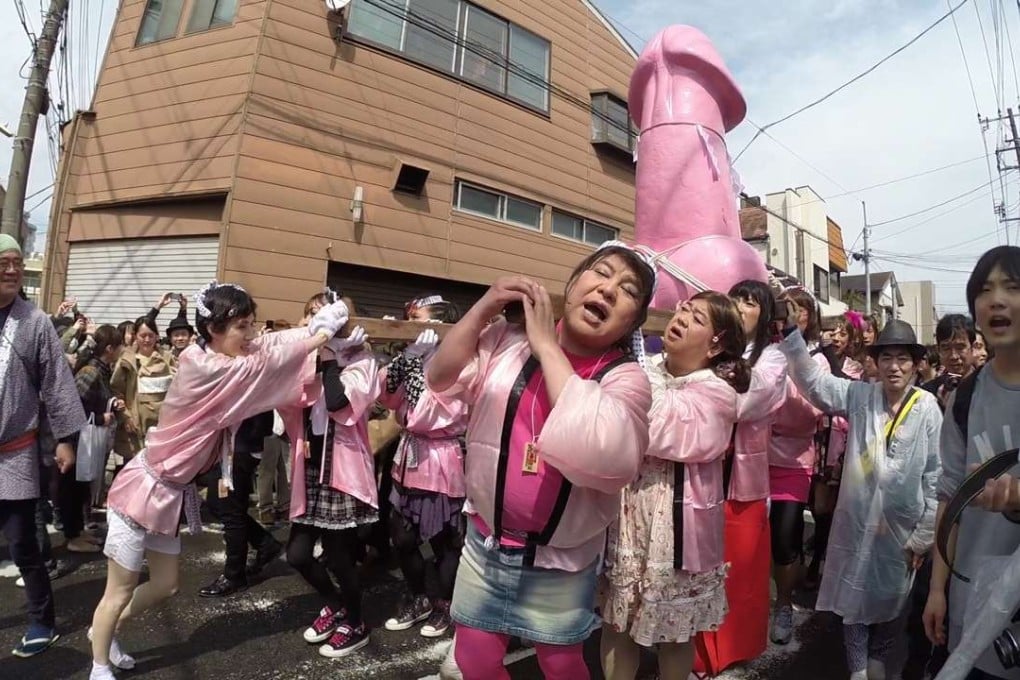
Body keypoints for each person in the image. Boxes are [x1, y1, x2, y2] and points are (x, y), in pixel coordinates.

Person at [87, 282, 344, 680]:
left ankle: (106, 630)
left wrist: (312, 331)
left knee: (166, 585)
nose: (251, 334)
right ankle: (98, 661)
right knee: (117, 591)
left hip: (168, 492)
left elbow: (267, 348)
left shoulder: (215, 354)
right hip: (144, 488)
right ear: (213, 329)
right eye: (242, 326)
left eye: (251, 324)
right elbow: (261, 363)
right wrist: (320, 334)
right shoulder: (204, 367)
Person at [427, 242, 656, 680]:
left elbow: (605, 454)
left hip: (562, 558)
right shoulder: (505, 341)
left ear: (633, 321)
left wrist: (547, 347)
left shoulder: (627, 379)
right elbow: (440, 377)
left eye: (626, 290)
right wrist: (485, 307)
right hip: (486, 542)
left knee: (562, 665)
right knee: (473, 661)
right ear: (572, 287)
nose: (607, 290)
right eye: (600, 274)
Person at [781, 312, 942, 680]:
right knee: (853, 600)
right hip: (855, 524)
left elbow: (936, 474)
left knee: (891, 601)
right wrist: (791, 334)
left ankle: (879, 658)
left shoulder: (927, 409)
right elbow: (815, 383)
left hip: (901, 531)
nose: (894, 367)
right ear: (876, 362)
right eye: (887, 357)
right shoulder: (860, 396)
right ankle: (858, 670)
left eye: (903, 359)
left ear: (916, 365)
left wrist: (923, 535)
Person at [601, 292, 750, 680]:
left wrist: (632, 369)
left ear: (716, 342)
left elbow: (659, 422)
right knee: (617, 624)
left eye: (696, 317)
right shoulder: (646, 368)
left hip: (677, 533)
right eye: (683, 309)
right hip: (627, 516)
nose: (680, 317)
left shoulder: (718, 392)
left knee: (676, 635)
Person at [923, 246, 1020, 680]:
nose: (996, 299)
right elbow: (950, 500)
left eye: (1012, 288)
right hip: (976, 613)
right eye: (984, 290)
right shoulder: (962, 399)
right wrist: (937, 589)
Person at [694, 281, 788, 674]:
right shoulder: (710, 348)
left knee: (740, 570)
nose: (740, 306)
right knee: (698, 566)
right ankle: (698, 653)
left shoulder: (774, 358)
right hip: (704, 471)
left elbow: (747, 400)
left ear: (764, 315)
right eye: (735, 299)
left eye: (750, 303)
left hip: (743, 480)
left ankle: (733, 649)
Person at [0, 233, 84, 657]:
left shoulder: (34, 323)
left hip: (14, 451)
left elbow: (58, 386)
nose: (12, 269)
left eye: (17, 262)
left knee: (22, 543)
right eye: (4, 262)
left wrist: (66, 440)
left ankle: (41, 620)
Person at [280, 313, 381, 659]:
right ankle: (335, 604)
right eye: (309, 315)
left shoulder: (363, 361)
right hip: (311, 469)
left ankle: (355, 623)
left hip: (341, 471)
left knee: (340, 559)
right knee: (297, 555)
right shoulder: (314, 358)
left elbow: (339, 402)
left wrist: (331, 358)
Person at [380, 294, 467, 638]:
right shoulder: (413, 355)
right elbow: (387, 393)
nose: (413, 325)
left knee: (445, 541)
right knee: (401, 536)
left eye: (421, 319)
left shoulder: (459, 363)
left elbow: (423, 409)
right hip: (409, 454)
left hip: (440, 456)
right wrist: (408, 357)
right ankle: (419, 597)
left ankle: (445, 603)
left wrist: (414, 362)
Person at [767, 287, 831, 645]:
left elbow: (810, 412)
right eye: (788, 307)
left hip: (794, 461)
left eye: (802, 309)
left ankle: (785, 604)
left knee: (785, 539)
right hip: (755, 459)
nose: (794, 314)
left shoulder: (818, 360)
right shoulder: (764, 352)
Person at [198, 410, 282, 597]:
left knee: (230, 511)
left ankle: (234, 575)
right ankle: (265, 544)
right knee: (217, 503)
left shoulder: (250, 379)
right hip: (234, 441)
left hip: (240, 444)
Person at [67, 326, 128, 553]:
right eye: (120, 345)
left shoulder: (101, 370)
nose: (123, 349)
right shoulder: (91, 371)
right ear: (110, 348)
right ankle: (73, 536)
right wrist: (99, 418)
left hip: (87, 440)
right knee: (76, 488)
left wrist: (110, 403)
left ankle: (80, 531)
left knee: (83, 487)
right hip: (79, 441)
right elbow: (73, 406)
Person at [922, 314, 976, 410]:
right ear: (938, 350)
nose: (953, 356)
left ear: (973, 348)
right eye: (946, 348)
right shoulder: (927, 394)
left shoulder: (987, 387)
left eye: (960, 347)